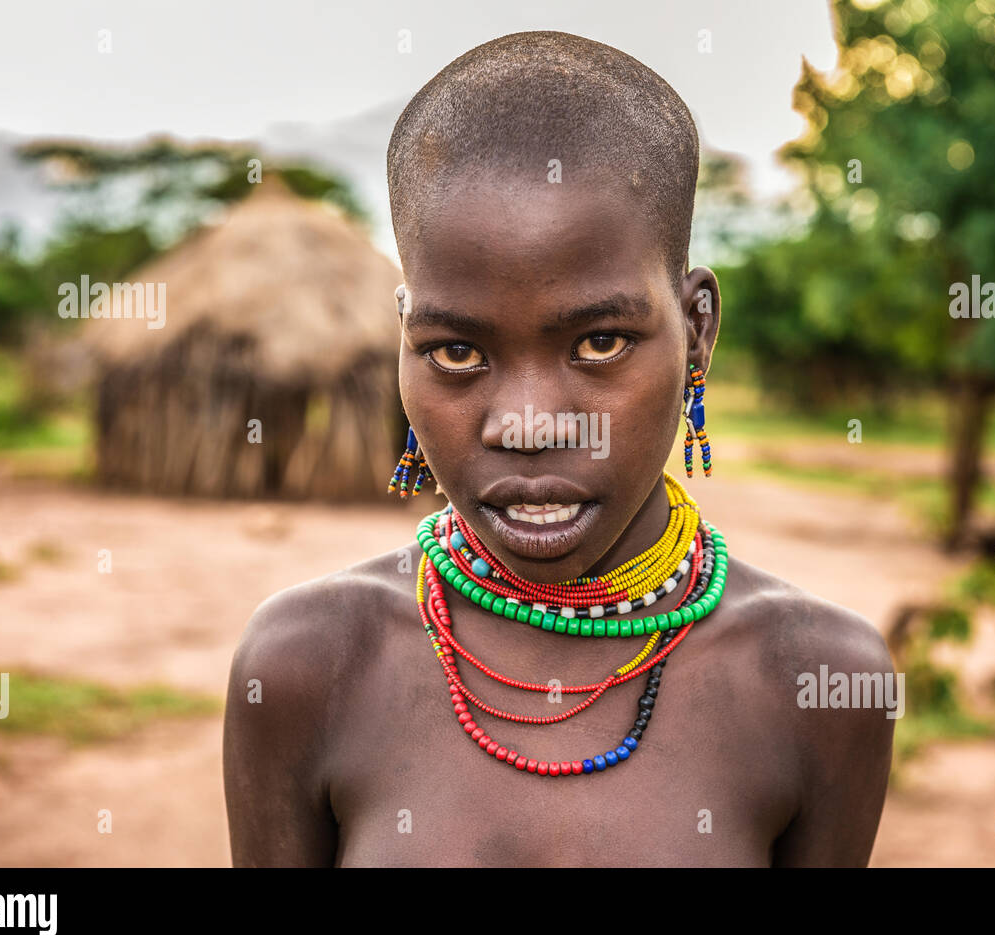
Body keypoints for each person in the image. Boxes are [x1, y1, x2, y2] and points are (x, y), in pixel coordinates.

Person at [223, 30, 894, 866]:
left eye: (600, 342)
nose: (530, 425)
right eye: (457, 352)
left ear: (697, 330)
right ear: (404, 338)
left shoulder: (818, 681)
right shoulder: (306, 665)